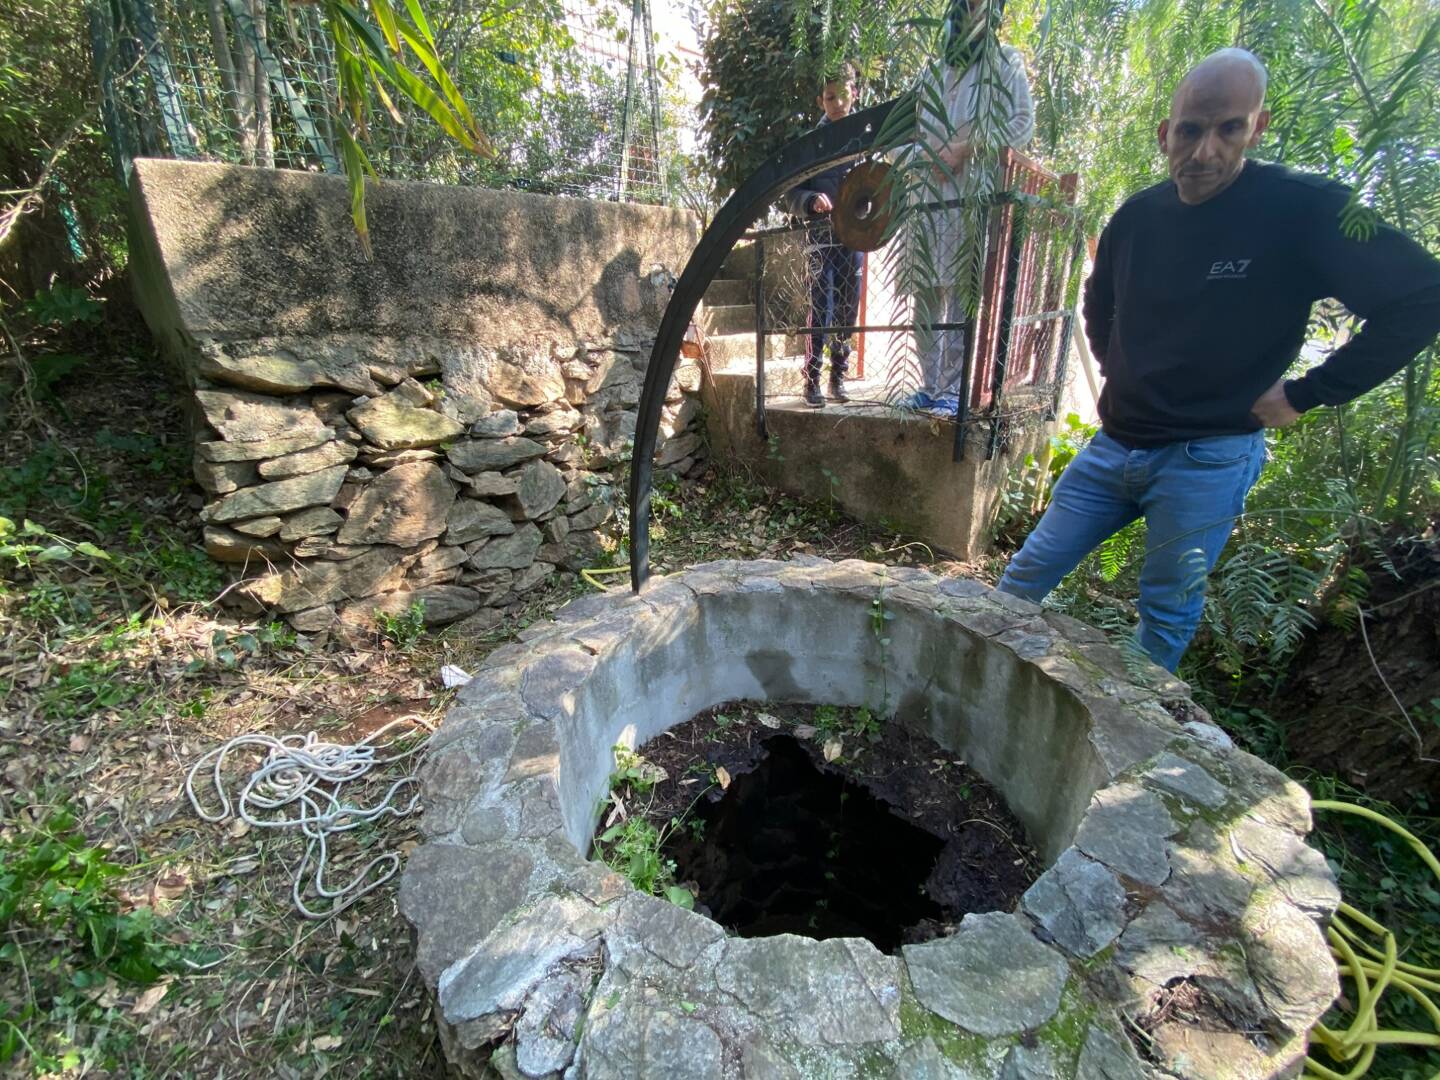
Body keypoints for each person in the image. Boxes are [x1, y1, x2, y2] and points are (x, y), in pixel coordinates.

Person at [995, 48, 1440, 672]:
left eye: (1228, 128)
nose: (1204, 151)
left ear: (1256, 127)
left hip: (1208, 457)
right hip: (1115, 445)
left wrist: (1307, 392)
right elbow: (1100, 306)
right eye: (1190, 130)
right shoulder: (1136, 217)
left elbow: (1422, 295)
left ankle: (1129, 748)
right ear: (1166, 134)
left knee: (1165, 612)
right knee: (1024, 574)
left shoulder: (1303, 210)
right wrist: (1118, 371)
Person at [911, 0, 1034, 412]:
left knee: (963, 292)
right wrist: (929, 155)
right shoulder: (934, 71)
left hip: (971, 192)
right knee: (925, 292)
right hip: (927, 194)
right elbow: (911, 130)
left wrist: (966, 148)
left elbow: (1022, 124)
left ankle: (953, 391)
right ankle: (928, 386)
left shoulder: (1004, 62)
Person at [785, 64, 863, 408]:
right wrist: (810, 200)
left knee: (848, 310)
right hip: (820, 238)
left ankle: (838, 378)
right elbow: (791, 193)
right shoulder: (811, 144)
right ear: (821, 101)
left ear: (854, 94)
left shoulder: (865, 138)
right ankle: (812, 380)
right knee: (821, 309)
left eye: (842, 95)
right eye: (829, 97)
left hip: (855, 237)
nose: (836, 103)